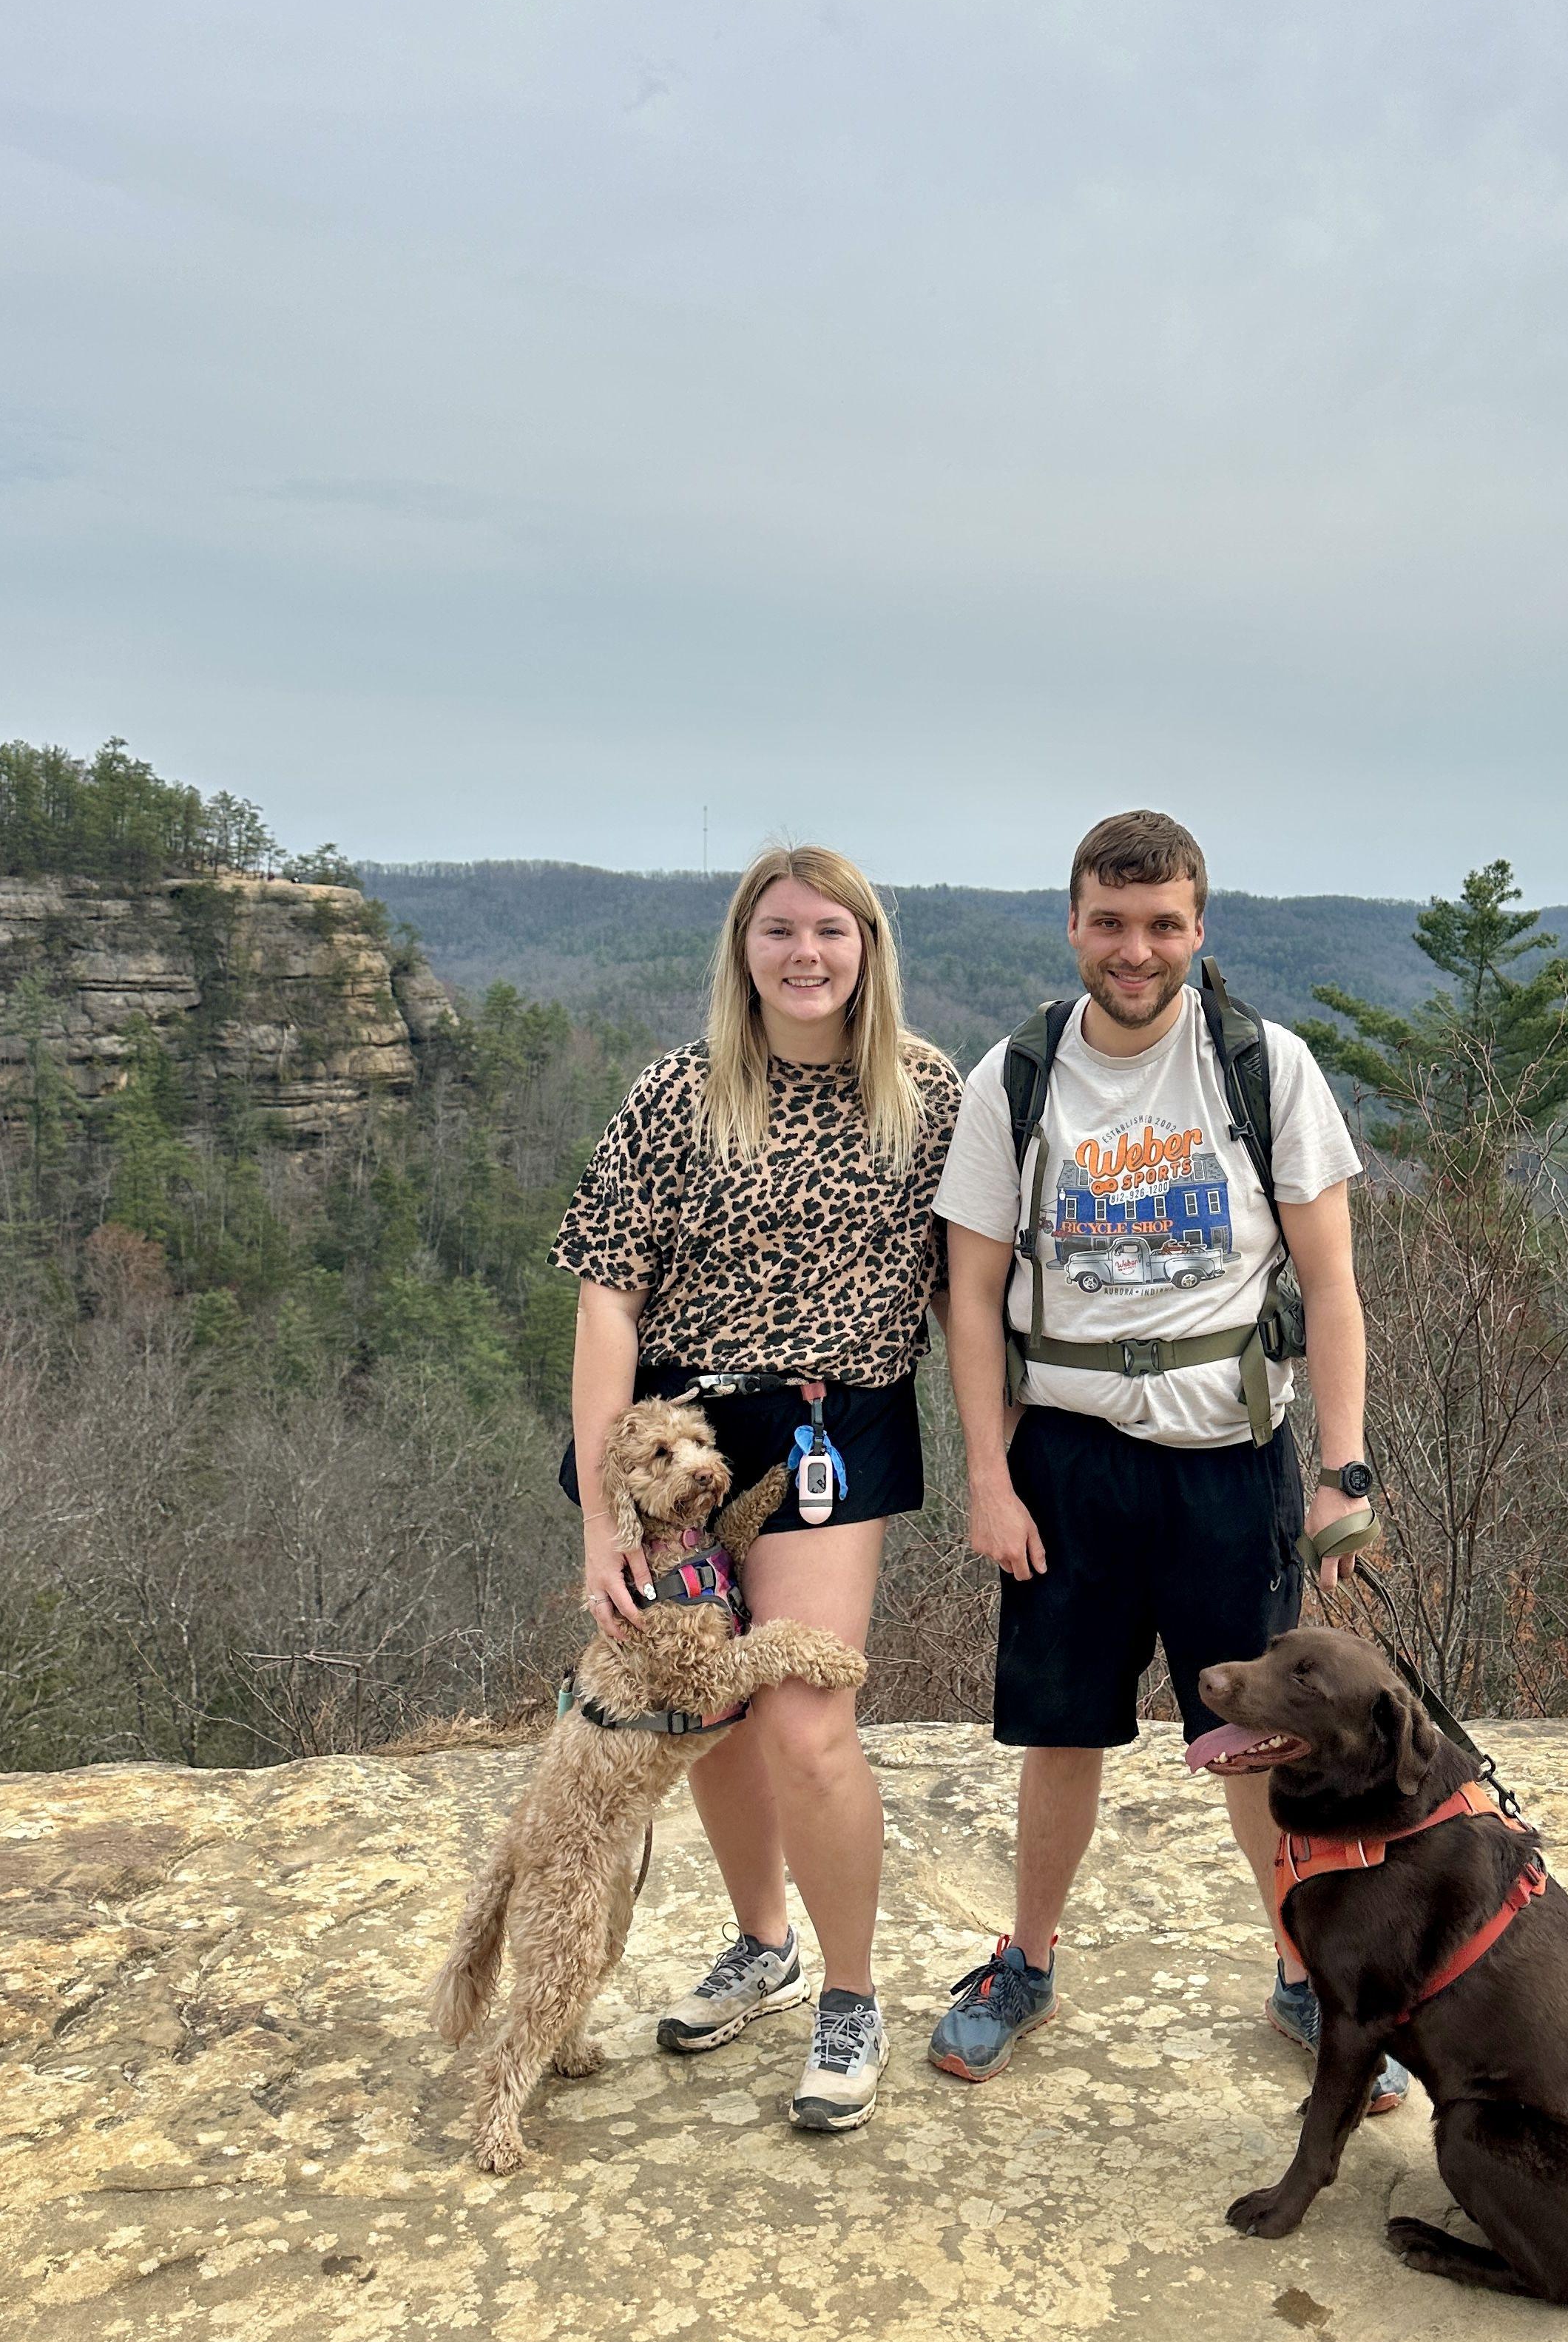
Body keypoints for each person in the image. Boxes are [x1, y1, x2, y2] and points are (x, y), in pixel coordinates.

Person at [922, 808, 1404, 2113]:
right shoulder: (1014, 1079)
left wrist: (1342, 1473)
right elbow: (971, 1296)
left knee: (1258, 1744)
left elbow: (1333, 1280)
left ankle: (1307, 1975)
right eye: (1111, 924)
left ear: (1200, 928)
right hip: (1069, 1460)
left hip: (1226, 1458)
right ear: (1074, 924)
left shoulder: (1264, 1066)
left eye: (1163, 926)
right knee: (1060, 1732)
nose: (1136, 952)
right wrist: (987, 1474)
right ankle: (1025, 1963)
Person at [550, 845, 960, 2134]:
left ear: (868, 947)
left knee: (802, 1717)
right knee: (700, 1712)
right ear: (743, 948)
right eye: (778, 930)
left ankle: (850, 1994)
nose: (805, 955)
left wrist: (1014, 1455)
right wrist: (602, 1512)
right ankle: (762, 1942)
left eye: (831, 931)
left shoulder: (927, 1094)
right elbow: (607, 1297)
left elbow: (975, 1290)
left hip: (838, 1426)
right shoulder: (677, 1095)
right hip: (677, 1427)